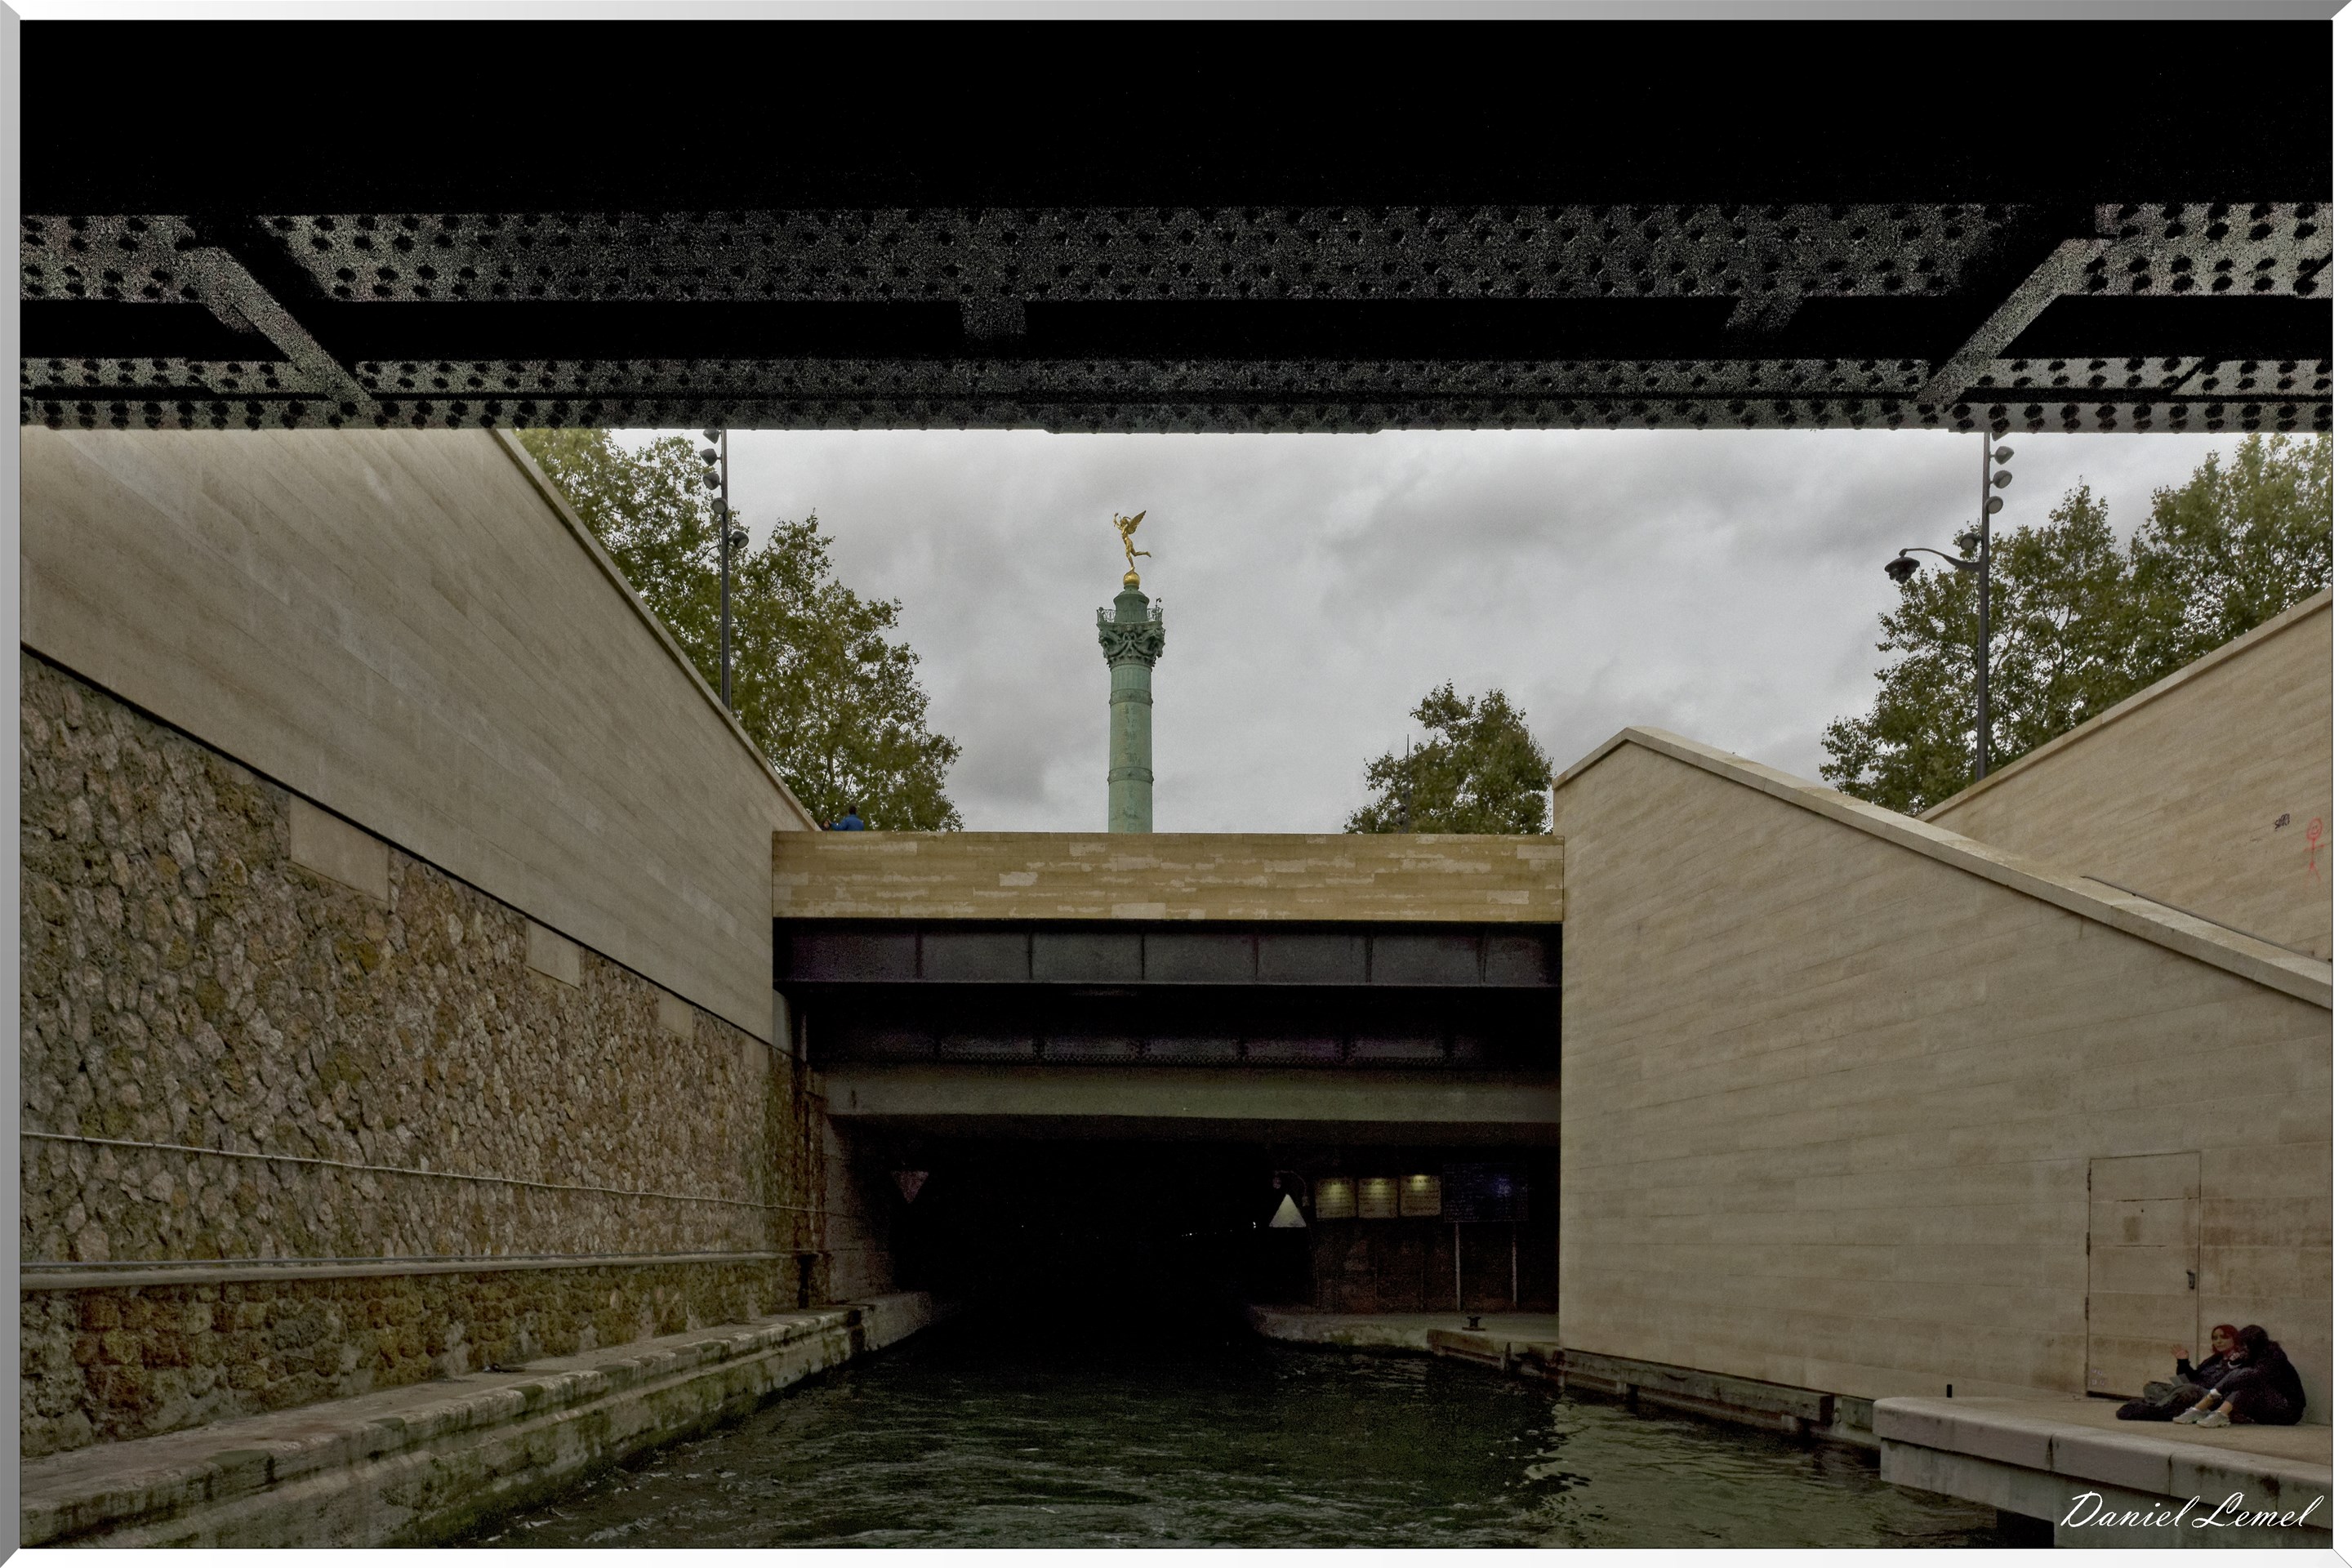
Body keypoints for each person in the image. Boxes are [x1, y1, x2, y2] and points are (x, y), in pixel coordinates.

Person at [2173, 1324, 2305, 1427]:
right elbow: (2194, 1377)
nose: (2242, 1349)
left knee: (2246, 1379)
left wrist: (2237, 1367)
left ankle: (2204, 1410)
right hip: (2267, 1407)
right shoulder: (2215, 1360)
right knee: (2243, 1379)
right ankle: (2214, 1413)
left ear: (2253, 1345)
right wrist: (2234, 1364)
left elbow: (2254, 1377)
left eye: (2244, 1345)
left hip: (2287, 1410)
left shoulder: (2273, 1356)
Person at [2116, 1325, 2236, 1421]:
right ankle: (2172, 1407)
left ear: (2234, 1339)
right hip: (2190, 1389)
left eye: (2224, 1337)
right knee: (2151, 1386)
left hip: (2209, 1395)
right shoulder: (2214, 1359)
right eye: (2215, 1338)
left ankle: (2156, 1409)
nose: (2219, 1341)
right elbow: (2189, 1377)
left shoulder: (2238, 1360)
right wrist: (2183, 1362)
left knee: (2187, 1388)